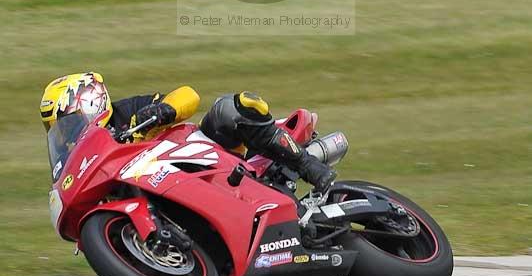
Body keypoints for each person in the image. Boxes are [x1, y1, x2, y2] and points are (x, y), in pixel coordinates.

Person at [40, 72, 335, 193]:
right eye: (57, 131)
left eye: (65, 124)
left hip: (201, 155)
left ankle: (309, 166)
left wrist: (161, 110)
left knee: (230, 109)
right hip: (163, 188)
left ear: (87, 101)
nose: (64, 136)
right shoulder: (87, 155)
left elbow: (189, 96)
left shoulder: (126, 111)